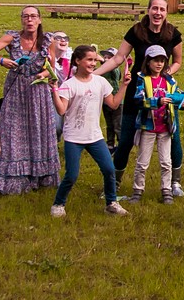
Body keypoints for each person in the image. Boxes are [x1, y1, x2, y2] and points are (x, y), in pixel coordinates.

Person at [95, 0, 184, 196]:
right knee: (126, 139)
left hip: (164, 93)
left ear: (166, 12)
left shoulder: (173, 34)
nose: (158, 13)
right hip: (138, 91)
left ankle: (175, 183)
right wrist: (94, 74)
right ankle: (113, 183)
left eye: (162, 9)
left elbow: (178, 61)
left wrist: (166, 75)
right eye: (154, 8)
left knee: (173, 137)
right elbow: (119, 57)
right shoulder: (136, 31)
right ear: (148, 10)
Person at [0, 6, 60, 194]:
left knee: (39, 129)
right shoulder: (12, 38)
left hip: (38, 91)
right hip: (16, 89)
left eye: (33, 16)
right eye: (25, 17)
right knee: (13, 130)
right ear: (21, 20)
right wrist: (2, 61)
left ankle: (41, 175)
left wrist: (42, 73)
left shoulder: (48, 40)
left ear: (39, 20)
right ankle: (15, 177)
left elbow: (52, 66)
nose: (29, 20)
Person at [50, 45, 131, 218]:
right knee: (71, 175)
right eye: (89, 59)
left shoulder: (100, 82)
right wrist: (54, 91)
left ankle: (111, 204)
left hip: (94, 137)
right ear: (77, 61)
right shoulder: (69, 85)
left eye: (95, 60)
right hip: (74, 137)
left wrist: (124, 85)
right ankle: (58, 204)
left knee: (109, 169)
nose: (93, 63)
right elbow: (61, 110)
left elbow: (114, 104)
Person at [126, 45, 184, 204]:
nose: (159, 64)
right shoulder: (142, 79)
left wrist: (182, 103)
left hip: (166, 127)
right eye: (155, 61)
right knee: (142, 162)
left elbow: (178, 95)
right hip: (148, 127)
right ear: (148, 62)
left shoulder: (169, 79)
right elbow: (138, 100)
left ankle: (166, 190)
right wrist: (156, 101)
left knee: (166, 162)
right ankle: (137, 191)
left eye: (162, 61)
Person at [99, 46, 124, 153]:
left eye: (110, 57)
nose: (106, 59)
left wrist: (103, 62)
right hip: (105, 101)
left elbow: (115, 70)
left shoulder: (115, 70)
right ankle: (110, 145)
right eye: (105, 56)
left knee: (117, 124)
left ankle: (121, 144)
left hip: (117, 101)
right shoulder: (101, 71)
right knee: (109, 124)